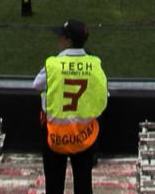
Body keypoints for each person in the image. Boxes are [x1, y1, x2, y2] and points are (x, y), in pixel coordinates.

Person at [34, 20, 108, 194]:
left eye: (60, 36)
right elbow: (103, 96)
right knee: (83, 183)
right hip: (85, 134)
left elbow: (36, 85)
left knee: (54, 184)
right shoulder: (94, 64)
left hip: (56, 134)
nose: (57, 39)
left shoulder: (53, 64)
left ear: (68, 40)